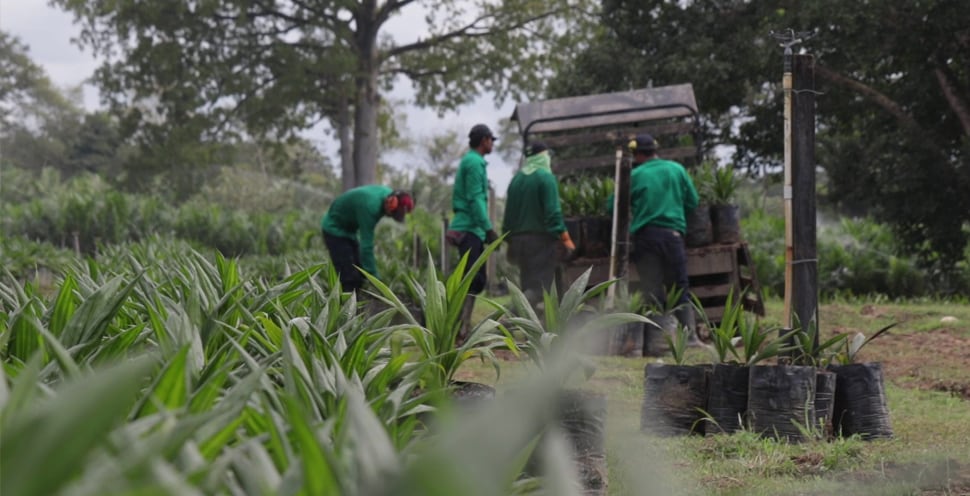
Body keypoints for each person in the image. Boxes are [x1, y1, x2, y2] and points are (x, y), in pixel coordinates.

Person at [625, 133, 702, 344]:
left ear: (637, 154)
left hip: (646, 237)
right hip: (673, 235)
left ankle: (657, 342)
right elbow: (693, 201)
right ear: (655, 150)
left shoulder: (635, 175)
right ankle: (690, 337)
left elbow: (614, 205)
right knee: (680, 286)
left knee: (652, 288)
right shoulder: (676, 169)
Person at [502, 140, 576, 310]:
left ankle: (529, 329)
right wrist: (566, 239)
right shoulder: (545, 178)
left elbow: (508, 217)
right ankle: (505, 319)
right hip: (540, 242)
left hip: (518, 242)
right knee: (539, 289)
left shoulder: (516, 180)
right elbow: (553, 214)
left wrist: (509, 242)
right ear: (543, 157)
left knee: (527, 286)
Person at [447, 123, 499, 342]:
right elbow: (475, 198)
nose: (492, 144)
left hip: (469, 227)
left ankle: (462, 328)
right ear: (484, 140)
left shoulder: (470, 161)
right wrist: (487, 228)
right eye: (491, 140)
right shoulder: (475, 163)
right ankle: (458, 329)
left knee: (474, 279)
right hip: (470, 227)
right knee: (472, 280)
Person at [321, 185, 414, 292]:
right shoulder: (370, 206)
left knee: (359, 271)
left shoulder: (388, 194)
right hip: (334, 229)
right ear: (390, 203)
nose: (390, 216)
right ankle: (347, 304)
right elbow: (366, 246)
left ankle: (358, 301)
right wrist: (376, 279)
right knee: (349, 276)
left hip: (350, 231)